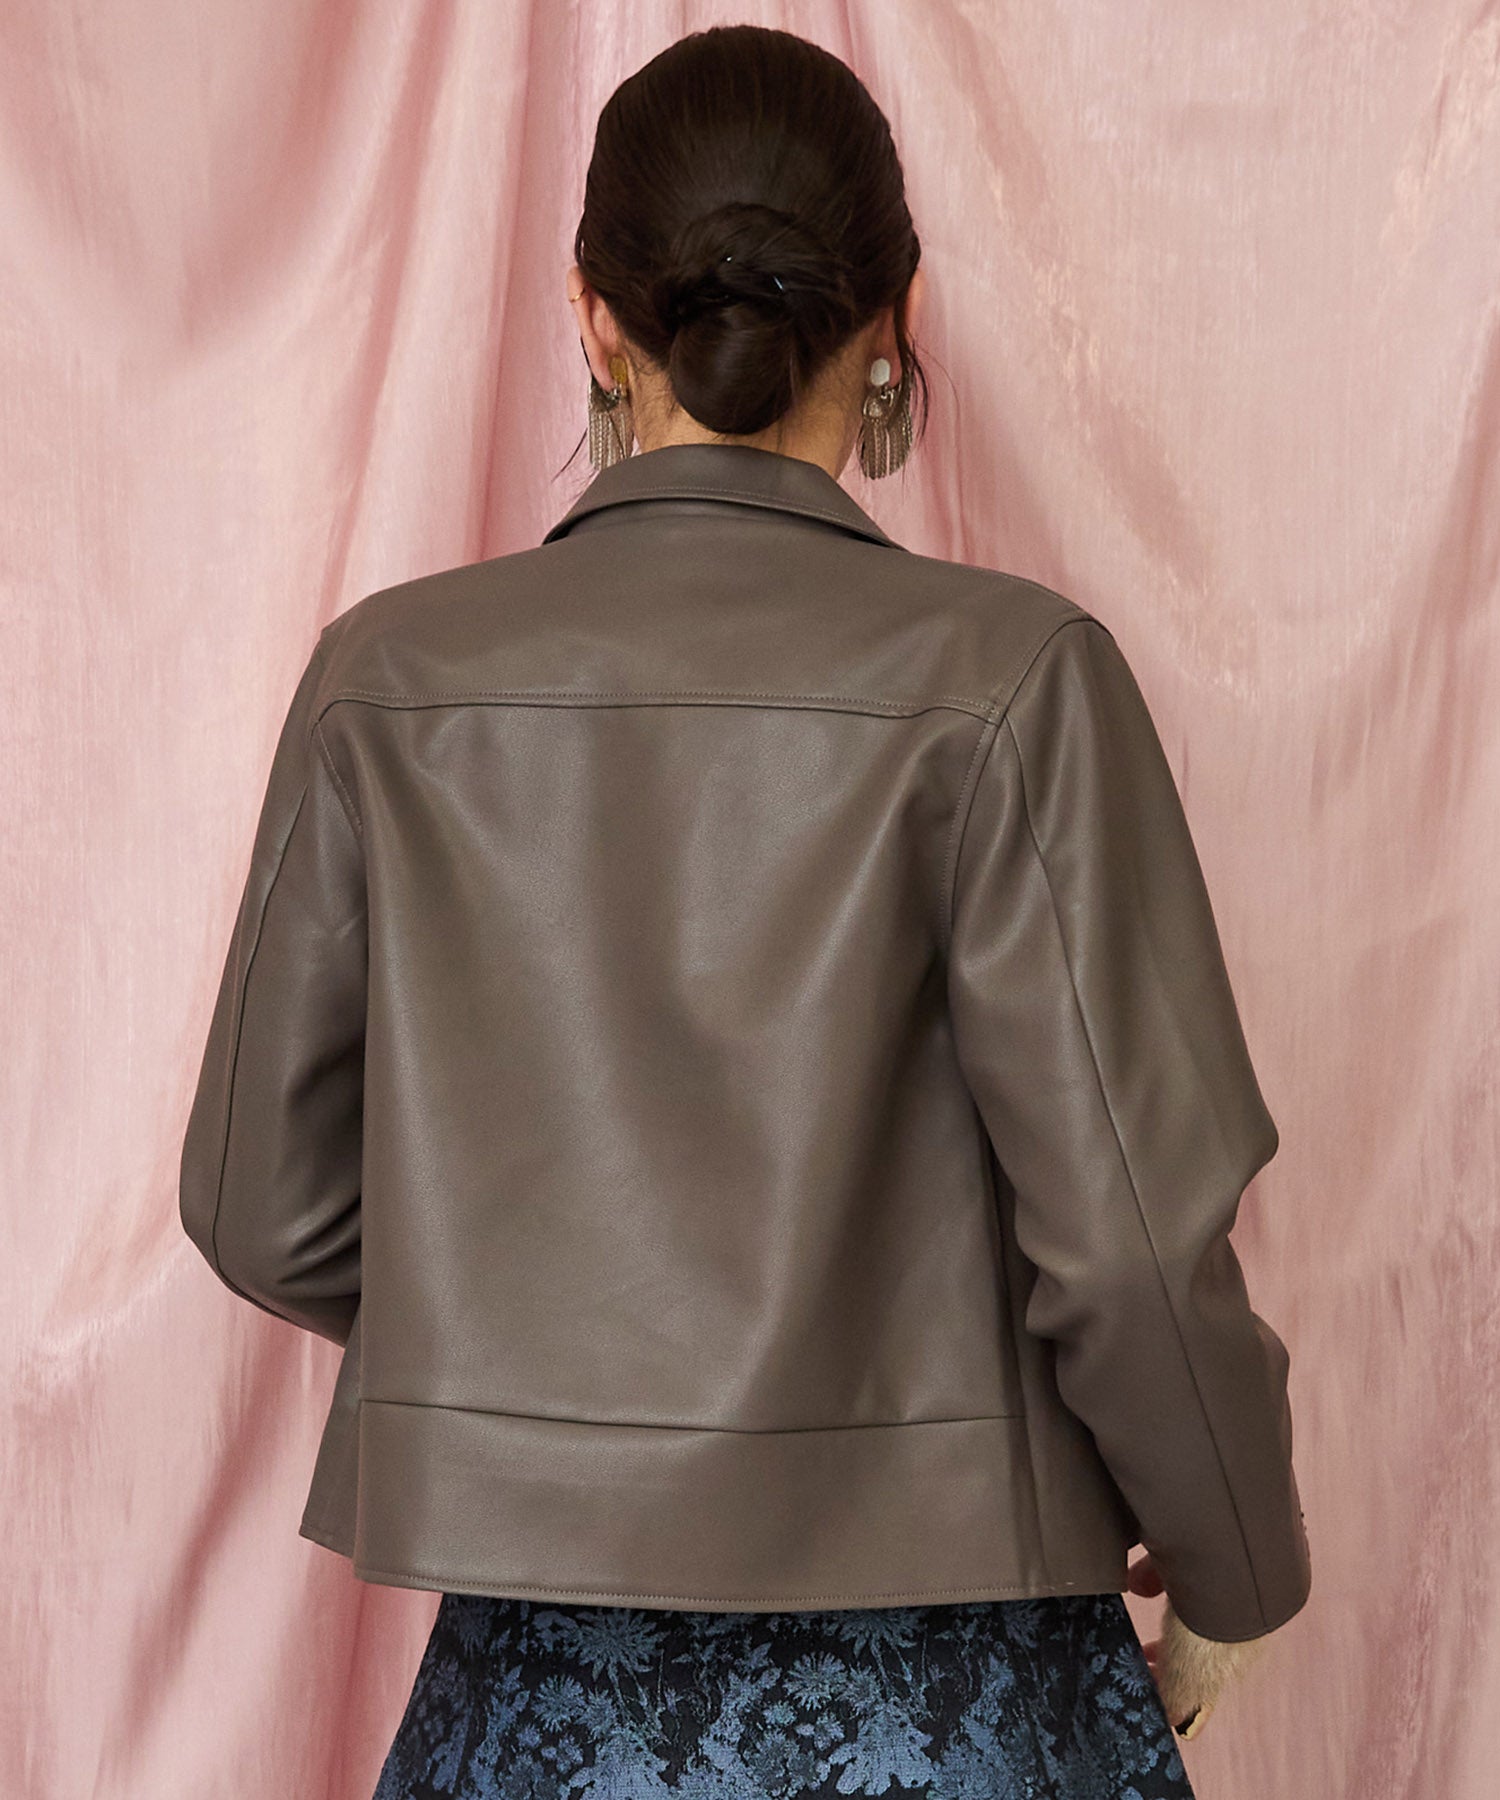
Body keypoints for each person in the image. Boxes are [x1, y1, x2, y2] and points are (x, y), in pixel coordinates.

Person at [178, 24, 1310, 1799]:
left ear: (592, 316)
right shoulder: (1015, 683)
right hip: (960, 1689)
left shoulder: (384, 686)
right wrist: (1238, 1574)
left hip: (547, 1699)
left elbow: (263, 1207)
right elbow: (1132, 1249)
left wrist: (545, 1348)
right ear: (897, 315)